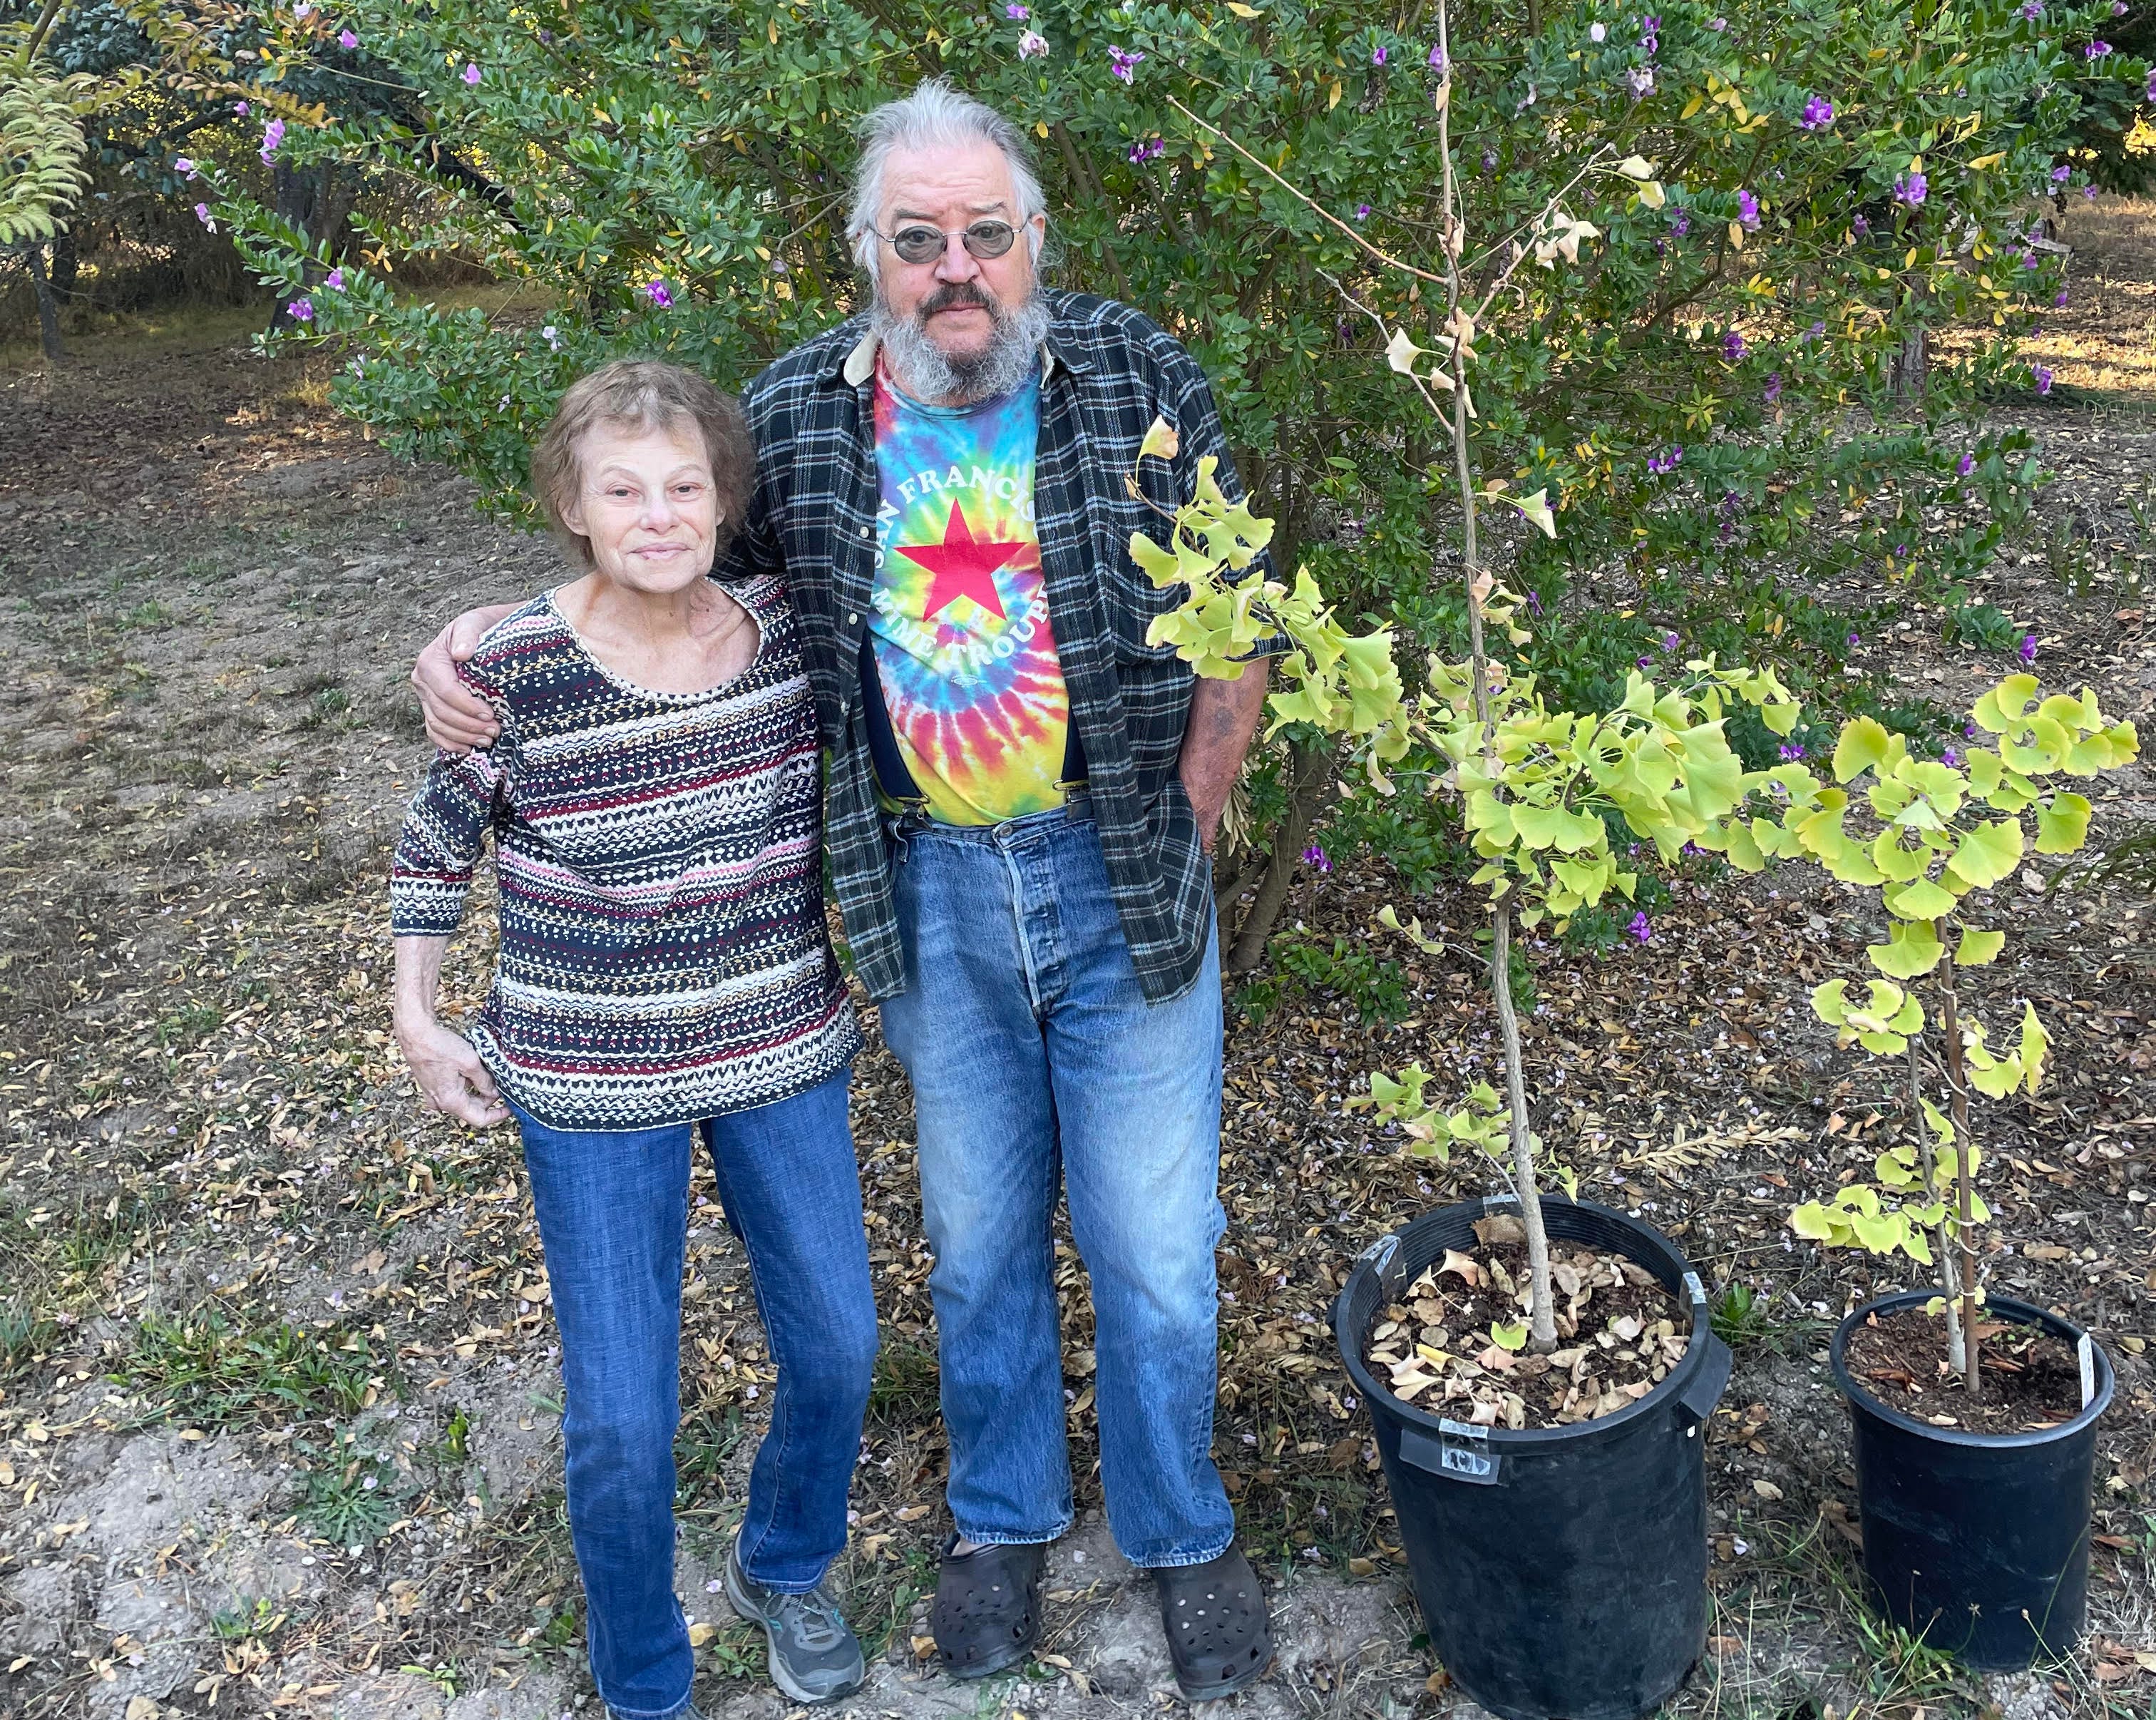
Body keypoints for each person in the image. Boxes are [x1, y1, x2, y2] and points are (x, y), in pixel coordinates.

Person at [414, 84, 1280, 1703]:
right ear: (867, 257)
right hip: (924, 884)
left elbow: (1234, 614)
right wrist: (474, 637)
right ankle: (1005, 1516)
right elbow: (660, 564)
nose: (959, 269)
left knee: (1158, 1243)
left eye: (987, 236)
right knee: (973, 1244)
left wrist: (1188, 816)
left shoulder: (1135, 375)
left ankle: (1179, 1529)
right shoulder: (799, 414)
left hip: (1120, 870)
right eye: (919, 240)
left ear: (1036, 244)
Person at [391, 359, 876, 1714]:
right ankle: (645, 1673)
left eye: (684, 486)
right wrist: (417, 1016)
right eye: (623, 489)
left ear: (726, 501)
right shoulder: (510, 669)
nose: (657, 514)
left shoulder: (789, 630)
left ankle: (783, 1564)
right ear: (574, 506)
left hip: (778, 1044)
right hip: (589, 1075)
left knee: (841, 1343)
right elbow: (438, 843)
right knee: (619, 1418)